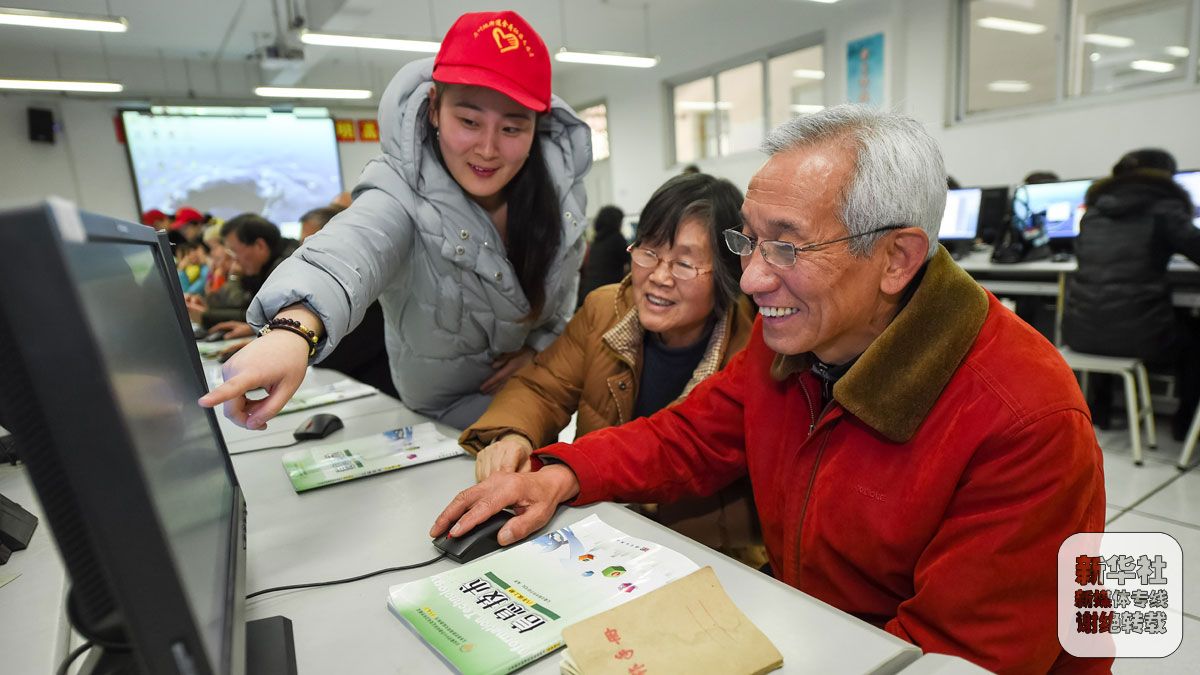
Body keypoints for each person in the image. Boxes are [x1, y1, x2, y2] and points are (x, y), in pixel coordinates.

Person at [432, 106, 1108, 674]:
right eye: (748, 241)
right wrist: (562, 474)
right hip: (813, 632)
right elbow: (693, 434)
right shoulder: (798, 341)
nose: (752, 279)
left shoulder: (1024, 418)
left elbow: (954, 658)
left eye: (786, 247)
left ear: (897, 258)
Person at [200, 10, 591, 430]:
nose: (488, 149)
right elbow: (351, 248)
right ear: (435, 108)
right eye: (469, 121)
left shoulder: (559, 197)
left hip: (536, 396)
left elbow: (561, 304)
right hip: (440, 416)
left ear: (538, 128)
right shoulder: (399, 190)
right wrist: (291, 332)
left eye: (513, 128)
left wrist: (538, 349)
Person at [462, 174, 762, 564]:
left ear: (727, 275)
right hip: (597, 533)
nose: (659, 276)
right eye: (649, 252)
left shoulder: (752, 352)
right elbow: (542, 388)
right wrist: (513, 436)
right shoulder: (606, 310)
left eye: (685, 263)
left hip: (706, 555)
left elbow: (743, 502)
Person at [1064, 148, 1200, 438]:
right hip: (1141, 338)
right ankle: (1184, 425)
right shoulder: (1166, 209)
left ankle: (1100, 410)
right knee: (1194, 339)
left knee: (1107, 308)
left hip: (1080, 333)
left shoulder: (1093, 212)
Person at [297, 205, 399, 398]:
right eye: (301, 244)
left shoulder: (369, 286)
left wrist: (291, 350)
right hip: (357, 392)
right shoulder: (330, 284)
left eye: (312, 243)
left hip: (384, 398)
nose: (304, 253)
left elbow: (333, 358)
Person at [186, 213, 297, 334]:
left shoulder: (286, 268)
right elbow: (248, 308)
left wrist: (206, 316)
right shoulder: (261, 266)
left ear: (260, 246)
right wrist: (208, 306)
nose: (234, 259)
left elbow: (258, 315)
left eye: (234, 251)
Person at [576, 204, 629, 306]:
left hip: (588, 293)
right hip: (607, 295)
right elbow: (632, 261)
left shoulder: (596, 241)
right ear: (616, 222)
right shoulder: (616, 239)